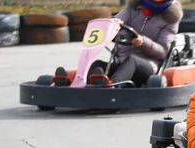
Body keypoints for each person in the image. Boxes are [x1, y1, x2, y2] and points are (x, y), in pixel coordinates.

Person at [54, 0, 183, 87]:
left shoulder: (170, 19)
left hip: (149, 66)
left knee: (132, 60)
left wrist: (142, 42)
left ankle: (113, 86)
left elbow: (162, 52)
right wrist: (112, 24)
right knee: (98, 64)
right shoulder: (134, 8)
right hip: (120, 61)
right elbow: (117, 20)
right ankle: (81, 84)